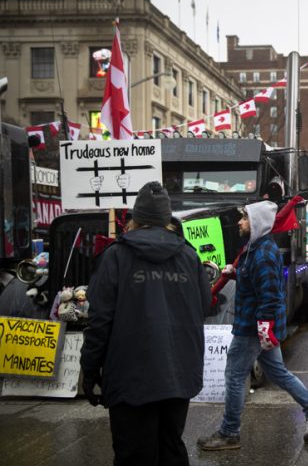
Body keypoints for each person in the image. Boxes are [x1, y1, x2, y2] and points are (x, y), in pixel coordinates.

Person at [80, 181, 211, 466]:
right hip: (178, 373)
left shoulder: (116, 256)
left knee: (134, 454)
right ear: (168, 219)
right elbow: (204, 306)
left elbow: (100, 320)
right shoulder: (189, 256)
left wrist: (89, 370)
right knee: (171, 448)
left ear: (135, 219)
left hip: (130, 377)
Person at [197, 200, 308, 451]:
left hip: (252, 328)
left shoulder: (262, 253)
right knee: (278, 372)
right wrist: (235, 272)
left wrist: (264, 329)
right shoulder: (256, 248)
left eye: (245, 219)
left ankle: (229, 433)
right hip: (259, 328)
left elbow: (270, 294)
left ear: (257, 223)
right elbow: (257, 281)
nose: (239, 222)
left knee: (234, 376)